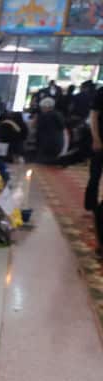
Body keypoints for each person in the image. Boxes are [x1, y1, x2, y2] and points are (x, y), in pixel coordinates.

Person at [86, 84, 103, 259]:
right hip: (100, 143)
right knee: (94, 177)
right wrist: (96, 138)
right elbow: (93, 116)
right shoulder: (101, 92)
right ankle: (91, 207)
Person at [35, 97, 66, 163]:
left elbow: (39, 128)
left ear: (47, 107)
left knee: (41, 165)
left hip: (46, 145)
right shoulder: (59, 114)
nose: (41, 109)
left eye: (42, 107)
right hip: (58, 143)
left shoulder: (44, 116)